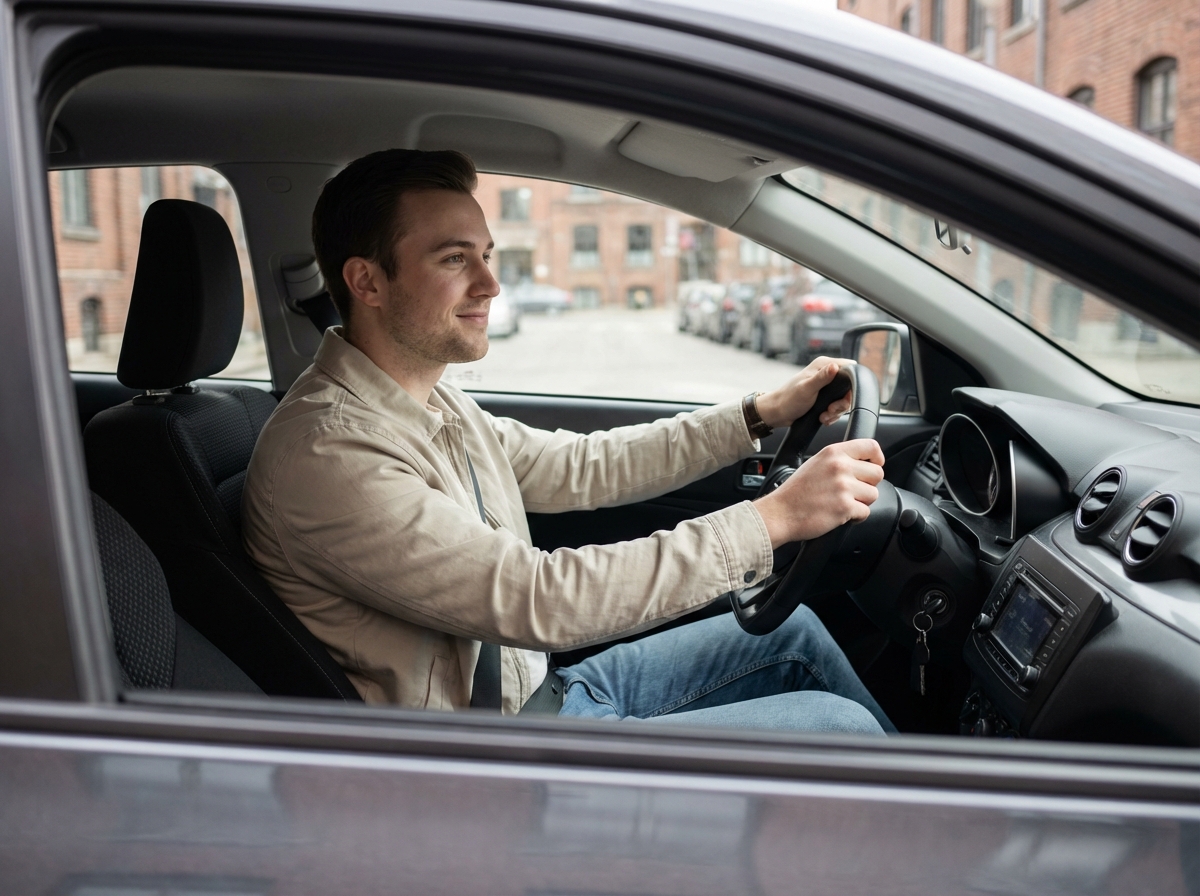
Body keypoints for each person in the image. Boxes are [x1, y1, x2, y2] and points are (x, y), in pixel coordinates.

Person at [242, 149, 895, 735]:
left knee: (797, 634)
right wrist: (774, 519)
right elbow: (537, 598)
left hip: (548, 696)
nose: (491, 284)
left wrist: (757, 414)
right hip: (486, 764)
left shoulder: (424, 400)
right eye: (453, 259)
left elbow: (580, 465)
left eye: (486, 255)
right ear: (367, 282)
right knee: (838, 730)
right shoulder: (331, 454)